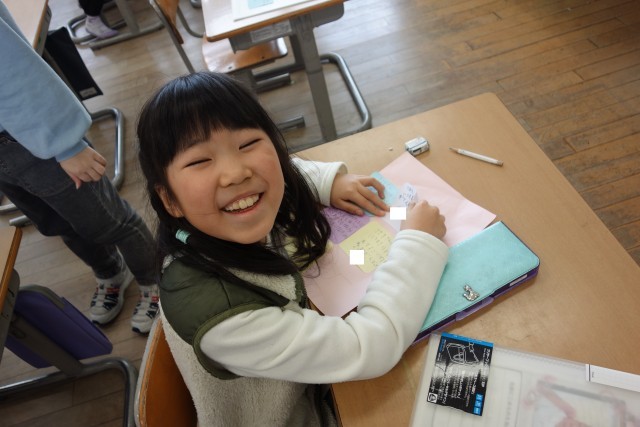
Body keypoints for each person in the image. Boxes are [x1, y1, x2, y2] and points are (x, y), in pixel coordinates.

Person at [137, 71, 449, 426]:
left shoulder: (206, 223)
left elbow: (285, 168)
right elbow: (371, 346)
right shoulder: (228, 319)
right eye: (199, 161)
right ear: (169, 199)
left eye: (247, 144)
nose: (237, 173)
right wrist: (417, 242)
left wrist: (329, 182)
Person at [0, 1, 158, 334]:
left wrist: (65, 143)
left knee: (109, 220)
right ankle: (111, 271)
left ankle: (154, 279)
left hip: (28, 139)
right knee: (57, 223)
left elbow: (12, 70)